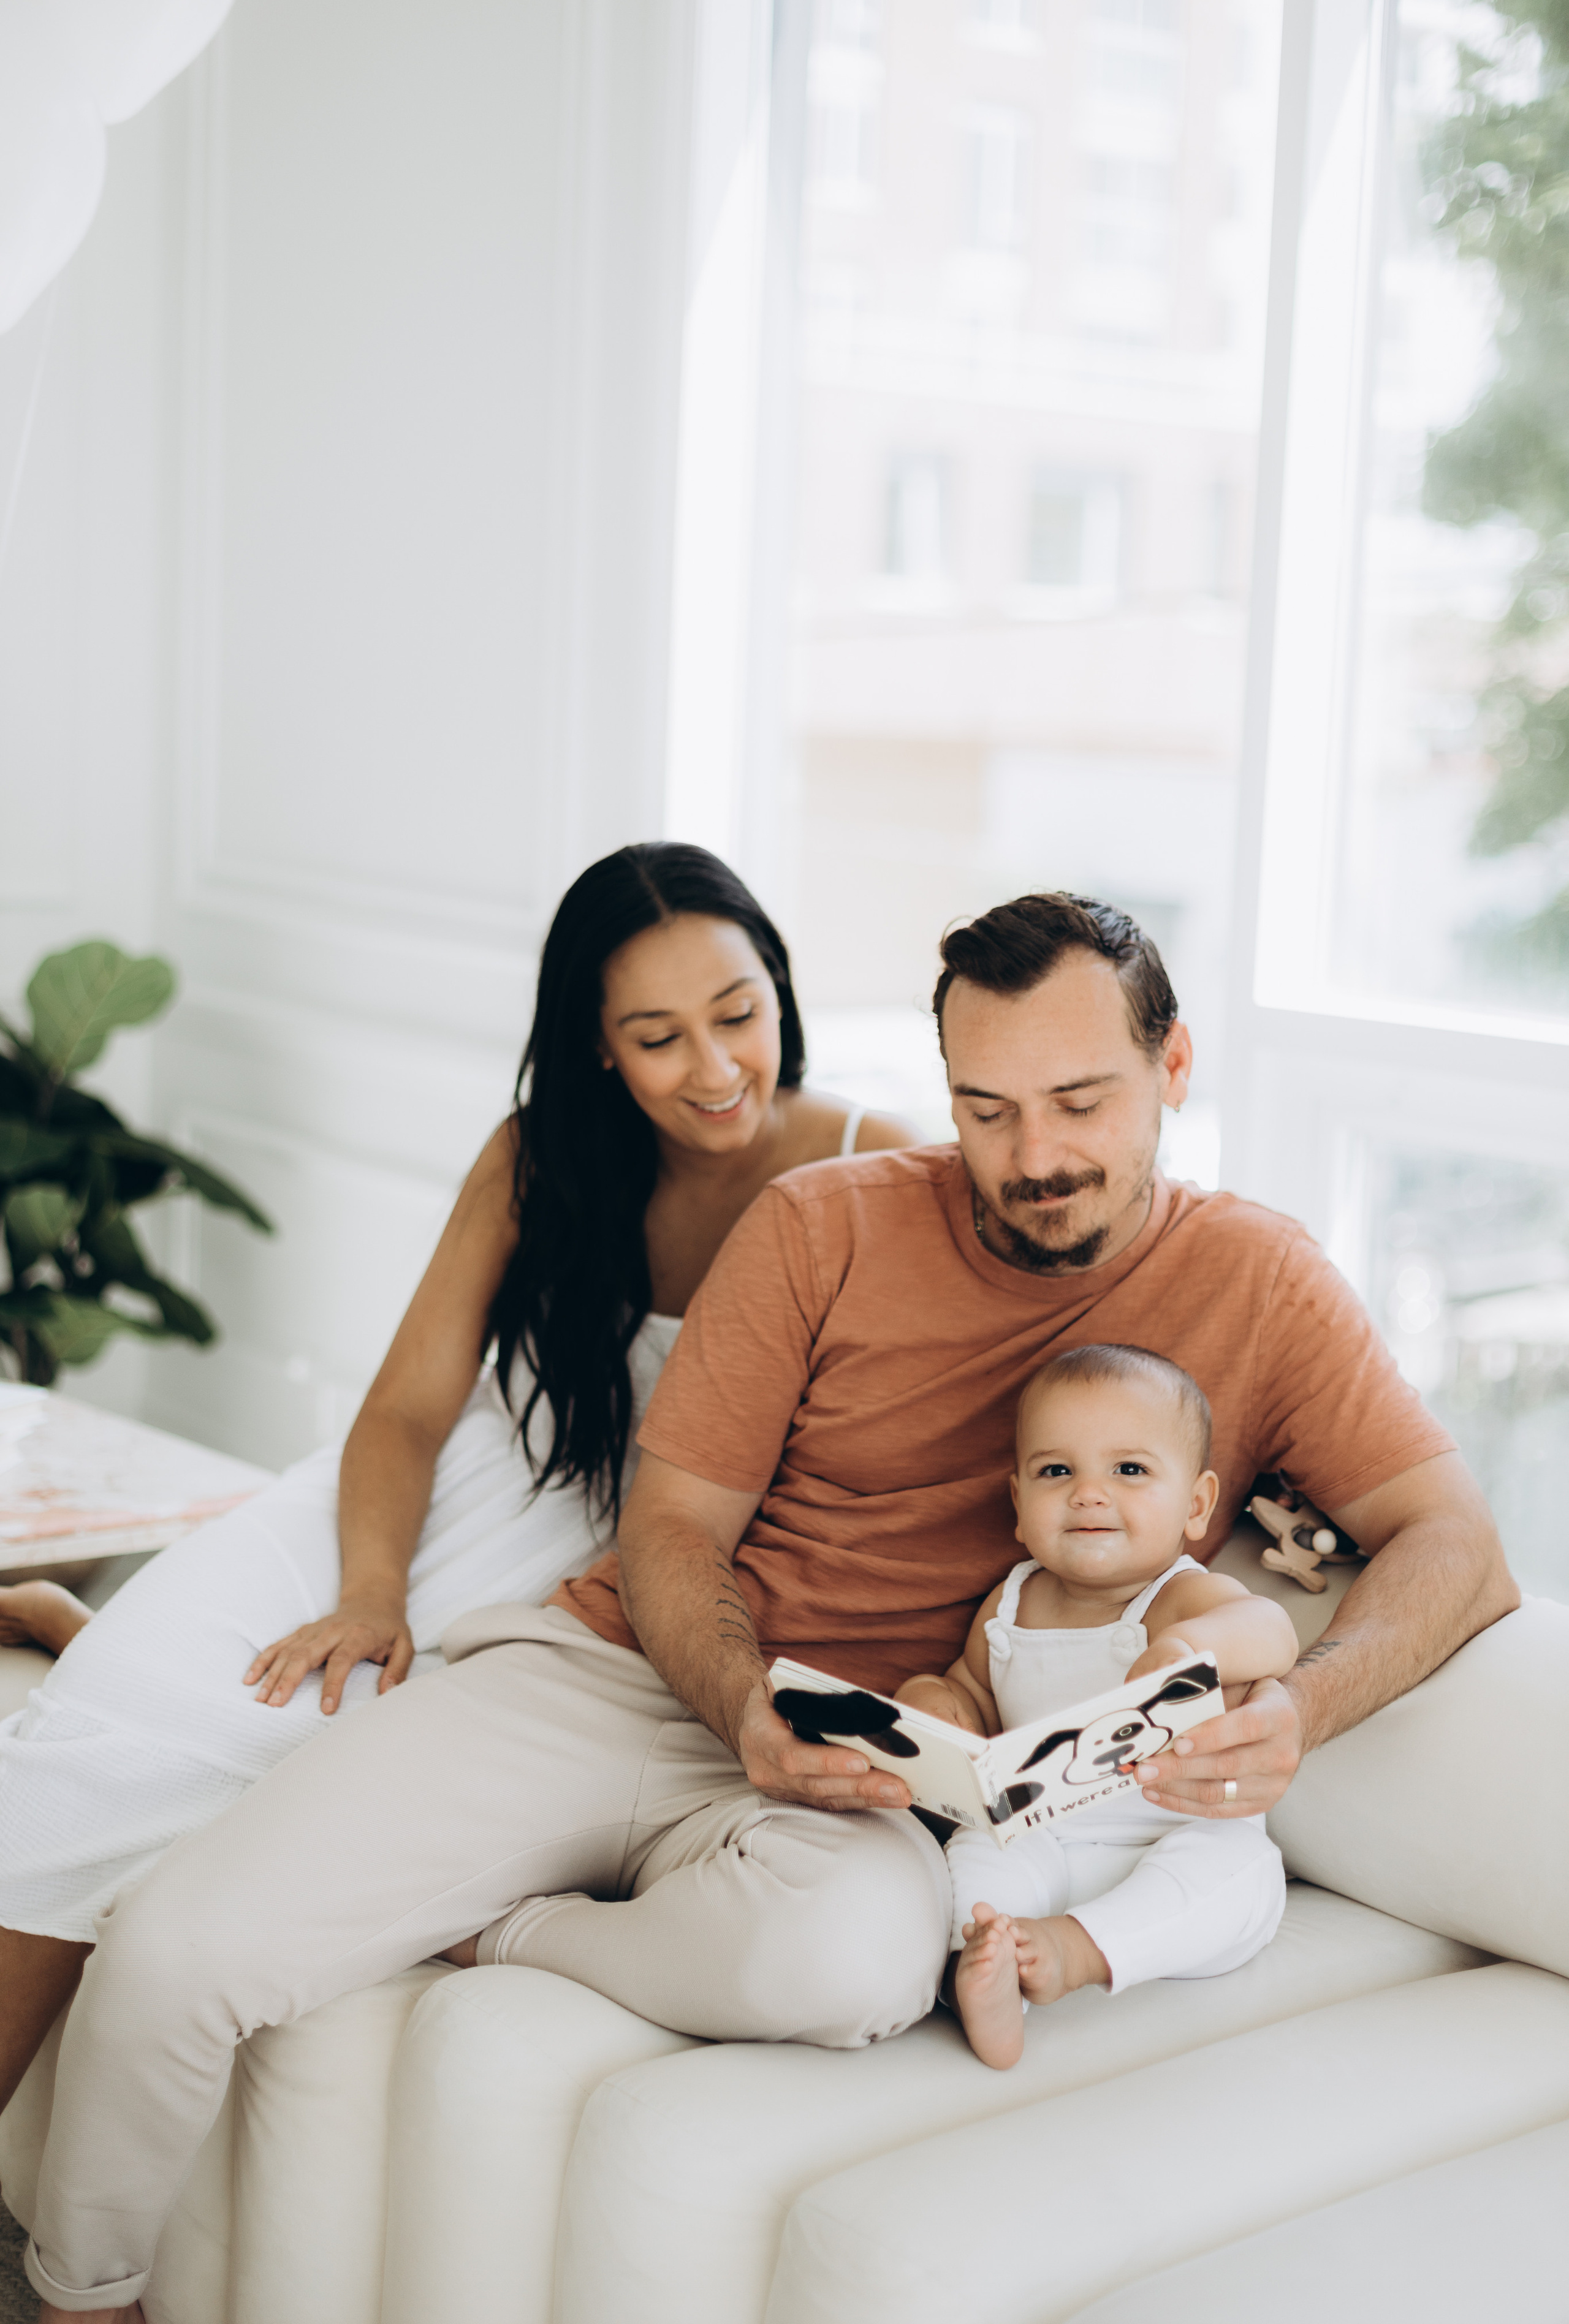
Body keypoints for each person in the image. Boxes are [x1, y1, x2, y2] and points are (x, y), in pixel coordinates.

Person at [18, 891, 1519, 2324]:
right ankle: (77, 2290)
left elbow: (1451, 1539)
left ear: (1170, 1063)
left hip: (879, 1780)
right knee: (179, 1951)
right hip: (628, 1679)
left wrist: (1300, 1709)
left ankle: (515, 1927)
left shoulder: (1260, 1281)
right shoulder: (820, 1222)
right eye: (985, 1109)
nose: (1032, 1154)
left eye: (1080, 1099)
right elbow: (674, 1522)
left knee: (854, 1965)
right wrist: (741, 1700)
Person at [0, 841, 915, 2127]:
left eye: (737, 1014)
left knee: (271, 1769)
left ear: (780, 986)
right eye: (656, 1038)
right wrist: (370, 1587)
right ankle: (99, 1640)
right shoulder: (542, 1152)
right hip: (449, 1486)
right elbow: (408, 1407)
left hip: (611, 1556)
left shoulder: (879, 1172)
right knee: (79, 1757)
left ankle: (74, 1621)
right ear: (597, 1045)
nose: (713, 1071)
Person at [898, 1344, 1296, 2071]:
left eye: (1129, 1470)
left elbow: (1271, 1631)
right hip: (1049, 1837)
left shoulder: (1182, 1595)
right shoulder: (1012, 1601)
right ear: (1018, 1504)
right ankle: (991, 1967)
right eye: (1056, 1471)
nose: (1088, 1493)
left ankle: (1073, 1950)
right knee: (977, 1855)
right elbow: (973, 1688)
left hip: (1177, 1835)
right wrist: (935, 1702)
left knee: (1240, 1874)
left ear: (1196, 1505)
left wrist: (1186, 1650)